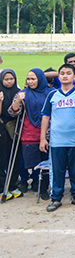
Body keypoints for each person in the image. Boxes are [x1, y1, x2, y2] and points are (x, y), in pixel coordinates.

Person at [40, 63, 75, 212]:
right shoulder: (52, 95)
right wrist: (43, 138)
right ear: (59, 76)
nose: (65, 76)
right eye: (62, 73)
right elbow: (45, 117)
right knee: (57, 171)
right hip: (57, 142)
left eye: (69, 73)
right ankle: (56, 198)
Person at [7, 68, 54, 199]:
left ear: (40, 79)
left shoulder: (50, 92)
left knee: (46, 161)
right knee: (28, 161)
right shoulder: (23, 94)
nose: (30, 81)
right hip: (29, 133)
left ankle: (42, 187)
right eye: (28, 79)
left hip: (48, 133)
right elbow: (12, 112)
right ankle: (25, 180)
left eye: (33, 79)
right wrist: (18, 100)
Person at [0, 69, 21, 200]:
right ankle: (2, 187)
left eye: (11, 79)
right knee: (3, 157)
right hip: (2, 127)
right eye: (6, 79)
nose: (9, 82)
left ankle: (13, 185)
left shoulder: (18, 92)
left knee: (15, 156)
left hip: (15, 127)